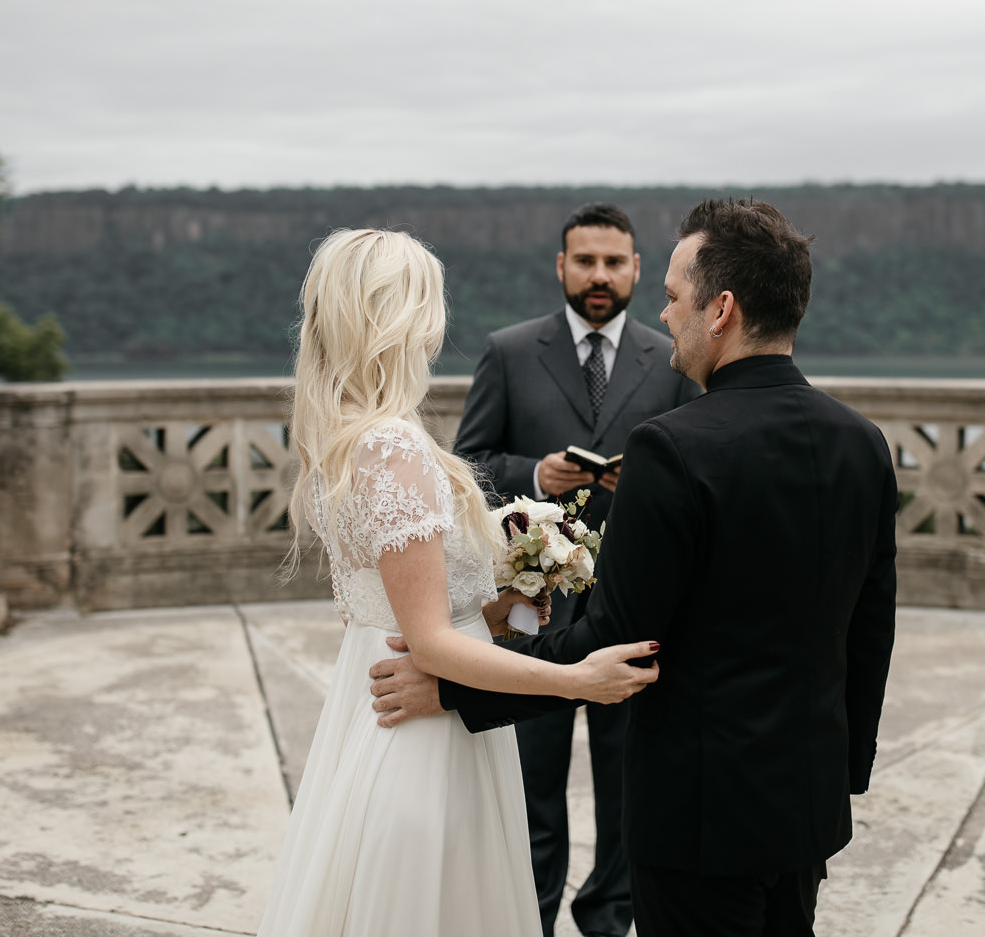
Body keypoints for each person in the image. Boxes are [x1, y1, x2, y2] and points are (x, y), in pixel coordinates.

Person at [367, 199, 900, 937]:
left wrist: (455, 687)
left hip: (698, 815)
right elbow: (871, 630)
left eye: (675, 296)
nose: (665, 312)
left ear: (721, 310)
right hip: (807, 804)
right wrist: (842, 773)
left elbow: (618, 638)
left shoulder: (672, 447)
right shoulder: (863, 442)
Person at [256, 228, 660, 937]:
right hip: (425, 735)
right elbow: (431, 644)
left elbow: (394, 604)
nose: (436, 328)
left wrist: (494, 610)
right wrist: (577, 680)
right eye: (429, 305)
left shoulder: (346, 439)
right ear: (399, 319)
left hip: (377, 703)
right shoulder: (393, 445)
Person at [454, 201, 701, 937]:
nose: (600, 275)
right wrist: (536, 473)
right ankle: (529, 917)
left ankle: (608, 917)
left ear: (636, 269)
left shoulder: (672, 358)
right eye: (586, 261)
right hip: (531, 613)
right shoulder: (507, 350)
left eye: (614, 263)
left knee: (630, 784)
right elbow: (466, 467)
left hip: (636, 609)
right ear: (562, 267)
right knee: (531, 784)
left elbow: (699, 472)